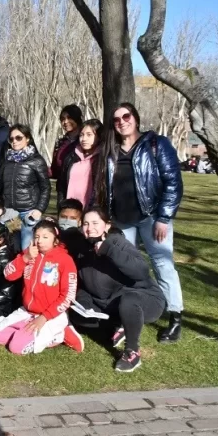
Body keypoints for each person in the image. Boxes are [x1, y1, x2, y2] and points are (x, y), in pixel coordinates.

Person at [94, 102, 184, 343]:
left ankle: (175, 317)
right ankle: (128, 315)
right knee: (125, 268)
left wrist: (164, 218)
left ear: (135, 117)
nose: (122, 121)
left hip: (152, 217)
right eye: (116, 119)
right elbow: (103, 186)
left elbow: (173, 183)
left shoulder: (155, 144)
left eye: (126, 116)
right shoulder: (110, 150)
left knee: (163, 265)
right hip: (123, 220)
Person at [75, 208, 166, 372]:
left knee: (128, 301)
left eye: (95, 223)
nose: (90, 228)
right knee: (78, 315)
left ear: (107, 225)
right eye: (86, 224)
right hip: (110, 303)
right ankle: (117, 326)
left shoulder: (117, 242)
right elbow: (83, 285)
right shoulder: (82, 251)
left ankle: (132, 352)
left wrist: (109, 250)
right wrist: (84, 303)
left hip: (146, 300)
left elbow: (141, 271)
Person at [0, 220, 83, 355]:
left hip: (50, 315)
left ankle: (60, 333)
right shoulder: (29, 253)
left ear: (55, 239)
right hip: (27, 311)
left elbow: (68, 296)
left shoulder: (65, 260)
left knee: (16, 348)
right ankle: (25, 331)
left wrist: (44, 317)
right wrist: (25, 258)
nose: (40, 241)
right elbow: (8, 275)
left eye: (45, 237)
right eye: (37, 237)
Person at [0, 124, 50, 251]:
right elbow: (0, 186)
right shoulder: (7, 162)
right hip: (9, 213)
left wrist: (39, 209)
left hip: (28, 212)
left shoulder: (37, 161)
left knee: (26, 250)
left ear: (27, 138)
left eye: (18, 138)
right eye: (11, 139)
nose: (14, 141)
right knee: (4, 249)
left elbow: (45, 187)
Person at [57, 119, 102, 208]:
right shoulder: (71, 158)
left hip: (93, 212)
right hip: (70, 211)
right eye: (81, 135)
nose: (84, 139)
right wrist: (61, 207)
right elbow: (61, 186)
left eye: (89, 135)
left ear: (99, 137)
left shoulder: (103, 159)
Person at [50, 104, 83, 178]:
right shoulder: (60, 143)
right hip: (63, 188)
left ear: (77, 118)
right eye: (62, 119)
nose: (65, 122)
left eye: (69, 118)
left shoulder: (85, 141)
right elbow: (54, 170)